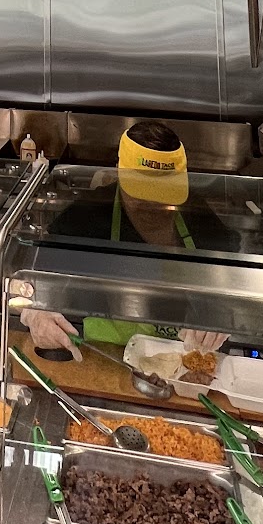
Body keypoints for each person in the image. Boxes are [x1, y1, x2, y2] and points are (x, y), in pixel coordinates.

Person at [24, 121, 230, 359]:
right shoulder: (83, 219)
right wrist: (35, 313)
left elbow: (232, 286)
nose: (153, 204)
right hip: (105, 361)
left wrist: (222, 315)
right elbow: (32, 282)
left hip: (184, 364)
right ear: (119, 173)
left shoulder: (201, 221)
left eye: (164, 191)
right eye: (142, 192)